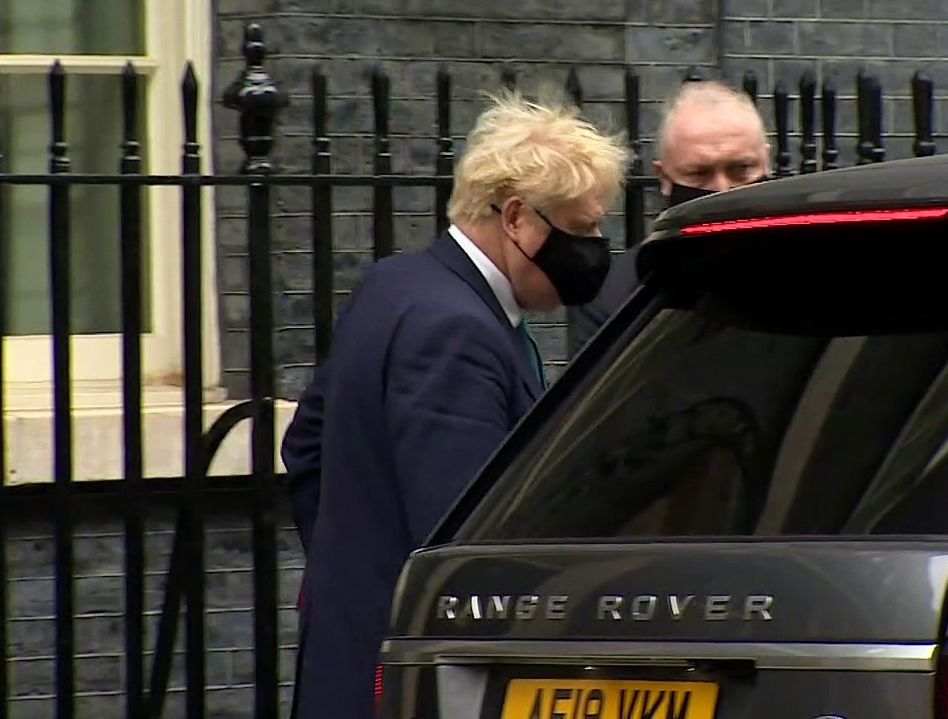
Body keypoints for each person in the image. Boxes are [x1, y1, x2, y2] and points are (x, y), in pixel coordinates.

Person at [288, 88, 628, 719]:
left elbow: (304, 446)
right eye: (581, 229)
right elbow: (466, 547)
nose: (593, 248)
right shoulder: (458, 332)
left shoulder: (395, 283)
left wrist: (352, 564)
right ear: (518, 219)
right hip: (403, 686)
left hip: (345, 652)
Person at [567, 79, 771, 356]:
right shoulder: (615, 296)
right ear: (664, 178)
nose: (723, 190)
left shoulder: (818, 271)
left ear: (766, 164)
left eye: (742, 169)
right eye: (698, 173)